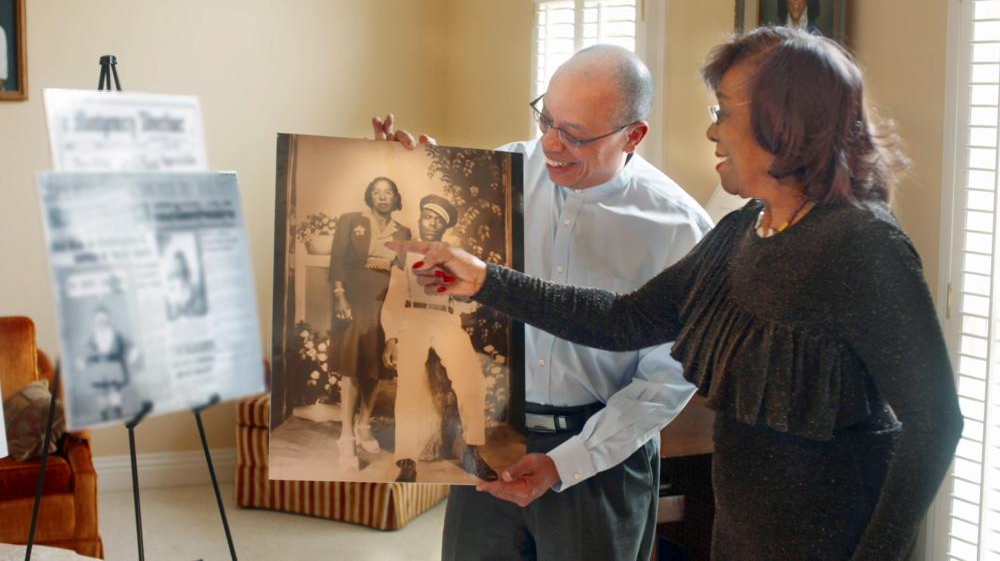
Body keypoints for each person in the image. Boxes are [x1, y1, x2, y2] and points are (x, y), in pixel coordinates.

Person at [392, 27, 964, 560]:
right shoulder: (743, 231)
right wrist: (488, 279)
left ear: (786, 126)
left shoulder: (862, 244)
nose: (713, 129)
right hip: (741, 538)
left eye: (726, 112)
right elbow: (622, 320)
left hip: (828, 539)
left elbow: (934, 422)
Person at [375, 43, 711, 560]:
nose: (551, 144)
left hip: (602, 456)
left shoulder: (680, 230)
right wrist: (399, 172)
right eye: (546, 120)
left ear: (634, 135)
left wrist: (567, 462)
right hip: (489, 439)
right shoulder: (500, 173)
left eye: (574, 135)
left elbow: (668, 377)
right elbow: (429, 250)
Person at [380, 194, 497, 483]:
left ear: (444, 228)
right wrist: (391, 336)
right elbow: (394, 294)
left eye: (438, 220)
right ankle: (406, 459)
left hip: (446, 319)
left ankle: (472, 451)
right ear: (419, 220)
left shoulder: (455, 256)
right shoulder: (405, 253)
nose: (431, 223)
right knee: (408, 385)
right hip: (412, 319)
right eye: (428, 217)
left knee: (472, 380)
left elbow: (467, 297)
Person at [327, 176, 411, 471]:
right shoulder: (351, 221)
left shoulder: (403, 231)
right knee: (352, 365)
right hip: (354, 295)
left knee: (377, 365)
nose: (382, 196)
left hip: (384, 300)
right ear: (369, 196)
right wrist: (340, 297)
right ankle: (346, 436)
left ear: (395, 198)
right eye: (376, 191)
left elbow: (402, 273)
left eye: (388, 191)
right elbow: (337, 260)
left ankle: (364, 424)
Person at [78, 306, 138, 422]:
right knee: (101, 392)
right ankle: (104, 415)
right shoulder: (92, 336)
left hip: (114, 366)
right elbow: (85, 351)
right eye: (99, 320)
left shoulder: (116, 335)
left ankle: (117, 412)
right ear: (95, 321)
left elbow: (130, 346)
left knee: (115, 390)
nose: (102, 323)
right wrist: (83, 361)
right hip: (98, 367)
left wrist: (131, 356)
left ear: (108, 320)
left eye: (104, 320)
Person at [163, 249, 207, 320]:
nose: (178, 266)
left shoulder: (190, 282)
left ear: (184, 263)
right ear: (173, 264)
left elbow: (194, 298)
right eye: (176, 263)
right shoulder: (170, 280)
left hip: (190, 311)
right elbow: (170, 298)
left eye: (180, 263)